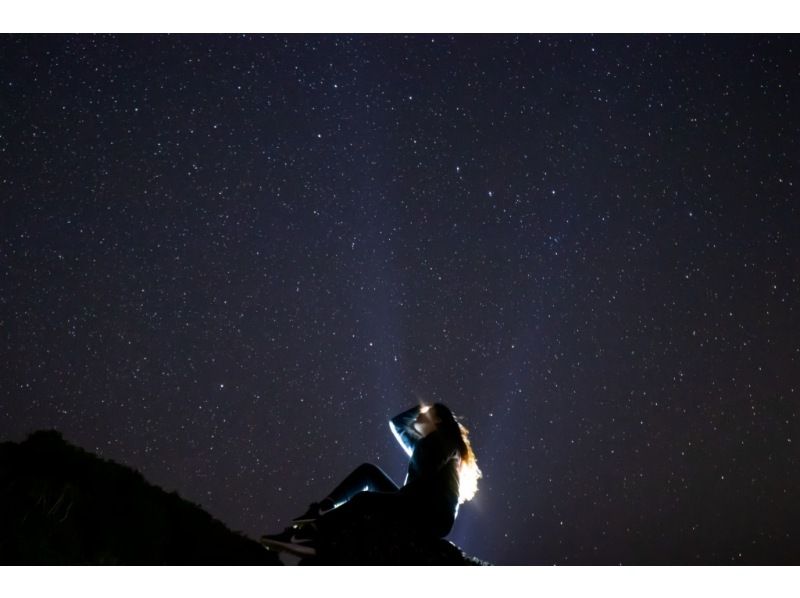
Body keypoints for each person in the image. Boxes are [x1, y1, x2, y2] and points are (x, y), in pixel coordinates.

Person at [261, 403, 481, 557]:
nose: (419, 419)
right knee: (369, 472)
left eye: (426, 415)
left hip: (429, 515)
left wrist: (387, 503)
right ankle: (321, 510)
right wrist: (422, 410)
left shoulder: (445, 441)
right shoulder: (428, 444)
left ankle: (310, 537)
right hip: (414, 501)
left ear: (439, 420)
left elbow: (423, 479)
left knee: (365, 500)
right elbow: (397, 423)